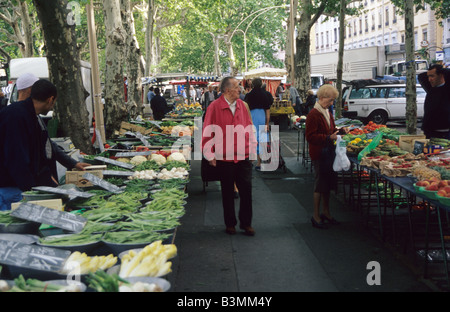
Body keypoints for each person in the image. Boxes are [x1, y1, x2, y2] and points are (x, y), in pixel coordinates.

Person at [0, 79, 90, 211]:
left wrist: (71, 165)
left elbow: (46, 146)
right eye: (54, 102)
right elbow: (17, 160)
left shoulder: (32, 116)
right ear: (50, 99)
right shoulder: (16, 116)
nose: (53, 106)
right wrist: (32, 192)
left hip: (21, 187)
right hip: (11, 188)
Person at [202, 76, 257, 236]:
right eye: (236, 87)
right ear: (227, 90)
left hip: (243, 155)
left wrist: (252, 148)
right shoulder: (214, 107)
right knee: (227, 192)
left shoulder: (242, 105)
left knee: (246, 191)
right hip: (224, 157)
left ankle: (246, 223)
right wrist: (209, 154)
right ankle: (230, 223)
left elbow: (249, 127)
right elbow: (207, 130)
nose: (240, 89)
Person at [305, 84, 344, 229]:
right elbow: (310, 137)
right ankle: (315, 216)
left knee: (327, 184)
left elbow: (331, 129)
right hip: (319, 153)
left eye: (333, 100)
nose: (332, 103)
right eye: (331, 100)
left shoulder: (327, 111)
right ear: (322, 98)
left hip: (328, 153)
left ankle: (326, 212)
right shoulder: (314, 114)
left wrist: (339, 131)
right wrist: (329, 137)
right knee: (320, 185)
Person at [244, 78, 272, 171]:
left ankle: (251, 161)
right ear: (261, 85)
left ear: (252, 84)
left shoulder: (249, 95)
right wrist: (267, 123)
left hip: (251, 117)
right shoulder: (265, 95)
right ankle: (259, 163)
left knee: (251, 139)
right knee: (262, 139)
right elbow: (267, 111)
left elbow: (245, 108)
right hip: (262, 117)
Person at [418, 64, 450, 139]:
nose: (429, 79)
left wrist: (443, 70)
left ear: (441, 75)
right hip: (428, 131)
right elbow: (421, 76)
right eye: (428, 76)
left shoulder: (447, 89)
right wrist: (431, 71)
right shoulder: (430, 88)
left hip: (443, 132)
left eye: (432, 76)